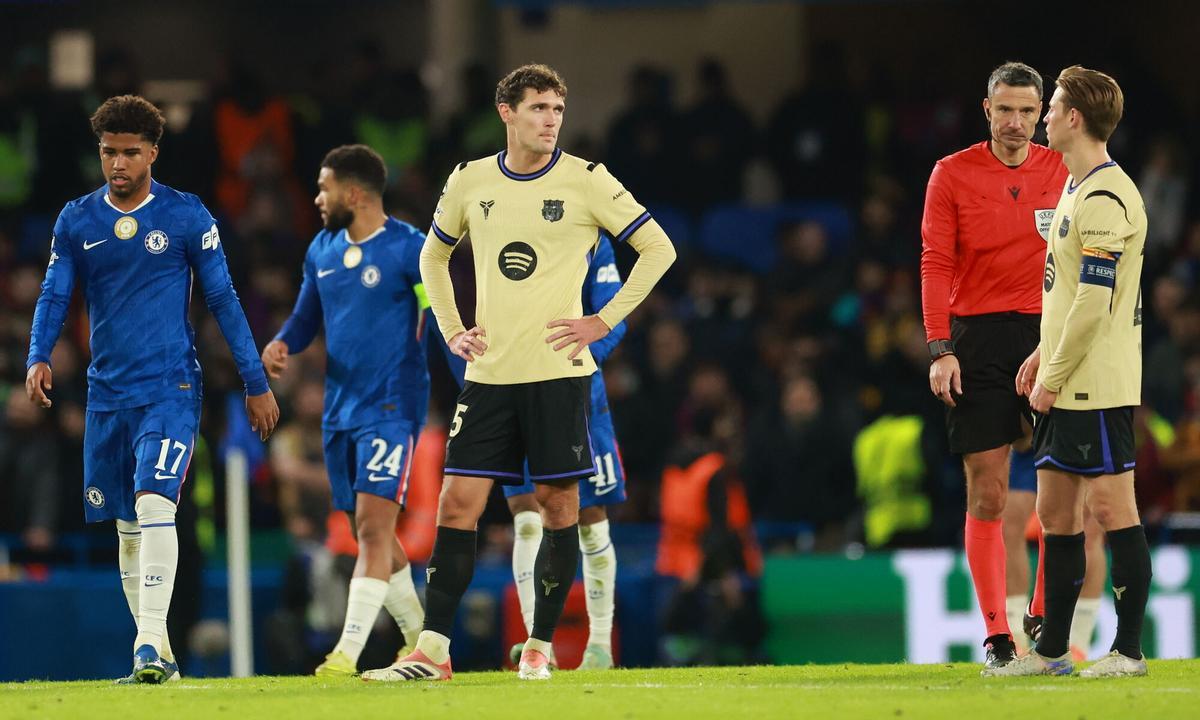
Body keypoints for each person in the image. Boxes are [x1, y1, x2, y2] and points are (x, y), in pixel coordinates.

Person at [362, 63, 675, 682]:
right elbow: (432, 254)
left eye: (558, 109)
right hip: (490, 378)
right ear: (506, 113)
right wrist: (453, 328)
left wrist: (602, 321)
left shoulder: (587, 180)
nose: (550, 120)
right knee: (457, 504)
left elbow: (658, 248)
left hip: (560, 377)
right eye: (538, 108)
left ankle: (539, 647)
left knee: (561, 508)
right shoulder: (471, 181)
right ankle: (433, 651)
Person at [25, 95, 279, 683]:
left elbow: (224, 301)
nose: (117, 163)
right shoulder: (76, 219)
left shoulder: (187, 216)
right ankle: (158, 657)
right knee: (125, 525)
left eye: (130, 152)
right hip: (106, 394)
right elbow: (55, 295)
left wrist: (255, 381)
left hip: (171, 387)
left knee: (154, 503)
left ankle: (147, 643)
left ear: (153, 154)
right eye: (109, 152)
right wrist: (38, 354)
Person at [995, 65, 1150, 678]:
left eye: (1052, 107)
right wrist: (1041, 352)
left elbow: (1093, 302)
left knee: (1114, 513)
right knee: (1056, 516)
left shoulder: (1108, 197)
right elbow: (1065, 296)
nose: (1044, 118)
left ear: (1075, 119)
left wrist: (1051, 375)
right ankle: (1052, 652)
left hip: (1097, 384)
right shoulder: (1075, 187)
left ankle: (1129, 651)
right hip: (1064, 372)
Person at [920, 62, 1068, 671]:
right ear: (986, 110)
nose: (1015, 122)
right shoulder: (951, 174)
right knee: (989, 490)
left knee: (1064, 488)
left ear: (1043, 115)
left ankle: (1039, 613)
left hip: (1051, 333)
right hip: (976, 339)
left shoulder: (1066, 170)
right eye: (1004, 110)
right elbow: (935, 260)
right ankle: (997, 634)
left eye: (1027, 112)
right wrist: (940, 347)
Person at [261, 144, 428, 676]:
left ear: (353, 193)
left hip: (392, 405)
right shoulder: (322, 250)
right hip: (340, 410)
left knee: (372, 526)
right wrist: (283, 342)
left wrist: (470, 368)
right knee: (369, 532)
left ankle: (345, 653)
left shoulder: (411, 249)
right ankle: (424, 641)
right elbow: (307, 317)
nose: (316, 198)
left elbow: (441, 315)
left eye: (323, 187)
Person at [489, 234, 628, 671]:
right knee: (527, 517)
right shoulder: (501, 229)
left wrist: (576, 361)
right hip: (515, 390)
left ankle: (600, 644)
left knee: (590, 517)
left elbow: (615, 314)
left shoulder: (590, 238)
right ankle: (537, 642)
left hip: (579, 394)